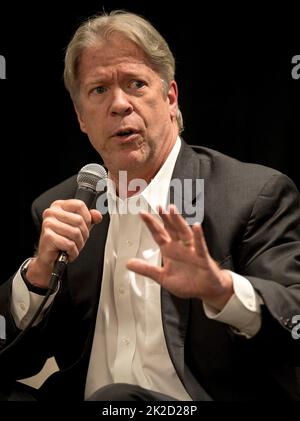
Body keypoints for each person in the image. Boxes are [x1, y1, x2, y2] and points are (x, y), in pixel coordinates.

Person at [0, 10, 300, 402]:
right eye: (99, 90)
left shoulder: (250, 195)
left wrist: (221, 290)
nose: (119, 104)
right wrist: (38, 276)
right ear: (80, 118)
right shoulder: (65, 206)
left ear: (170, 98)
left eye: (136, 84)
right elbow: (16, 358)